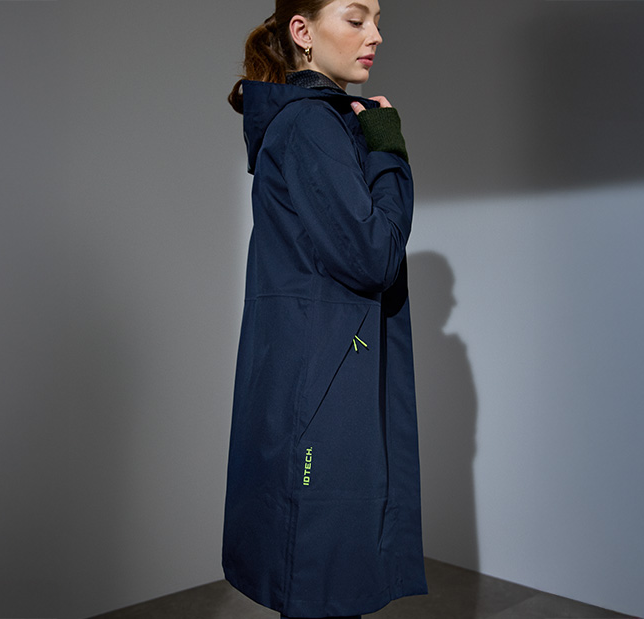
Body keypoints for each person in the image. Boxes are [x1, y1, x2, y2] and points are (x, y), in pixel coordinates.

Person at [222, 1, 426, 617]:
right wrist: (388, 150)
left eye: (378, 20)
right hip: (325, 386)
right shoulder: (313, 123)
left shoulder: (307, 121)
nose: (375, 35)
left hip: (317, 372)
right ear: (302, 31)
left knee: (319, 583)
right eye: (356, 19)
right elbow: (374, 255)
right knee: (322, 585)